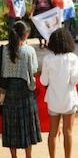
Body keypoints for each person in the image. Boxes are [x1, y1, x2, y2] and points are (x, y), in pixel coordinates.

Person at [1, 21, 42, 157]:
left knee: (12, 126)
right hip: (25, 91)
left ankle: (14, 156)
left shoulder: (4, 50)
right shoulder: (29, 50)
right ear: (25, 35)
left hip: (9, 92)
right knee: (26, 126)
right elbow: (34, 69)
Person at [40, 28, 78, 158]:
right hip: (69, 99)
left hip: (53, 100)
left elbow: (43, 81)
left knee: (52, 132)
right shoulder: (72, 58)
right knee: (68, 132)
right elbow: (75, 80)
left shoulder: (47, 59)